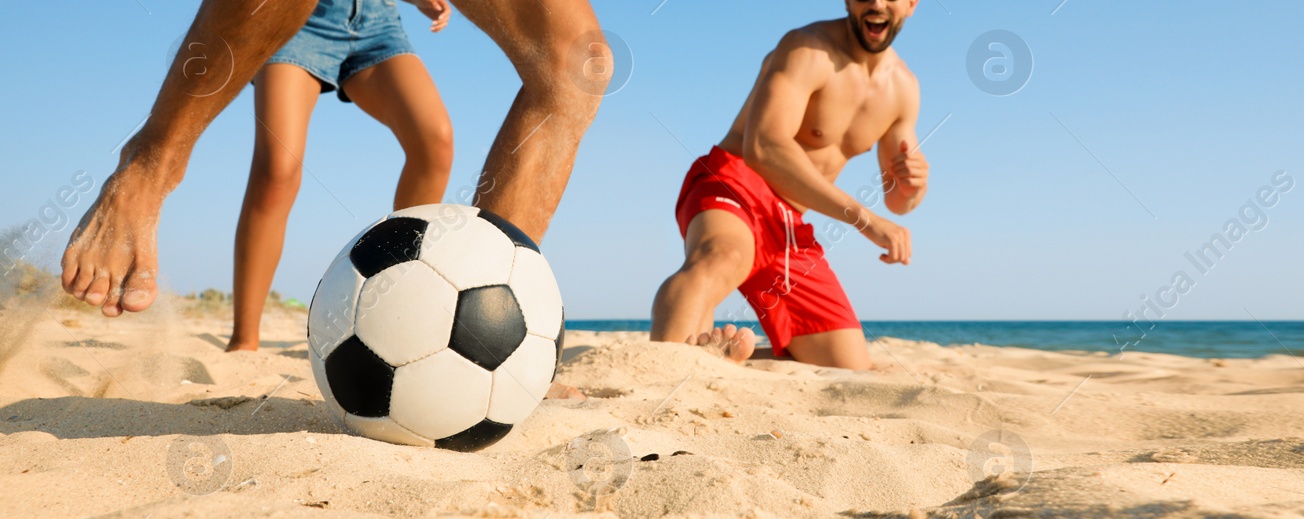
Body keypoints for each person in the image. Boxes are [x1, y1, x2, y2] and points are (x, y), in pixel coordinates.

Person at [59, 0, 609, 321]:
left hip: (372, 20)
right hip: (303, 22)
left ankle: (474, 315)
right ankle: (151, 167)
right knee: (279, 166)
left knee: (575, 64)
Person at [649, 0, 930, 370]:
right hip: (736, 181)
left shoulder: (904, 88)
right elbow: (764, 148)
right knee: (723, 257)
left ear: (911, 5)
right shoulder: (806, 48)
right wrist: (865, 220)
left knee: (848, 363)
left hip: (789, 219)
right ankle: (664, 374)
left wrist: (912, 187)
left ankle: (722, 359)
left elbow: (897, 200)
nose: (876, 3)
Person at [228, 0, 455, 353]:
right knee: (277, 169)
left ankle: (396, 300)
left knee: (435, 142)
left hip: (377, 23)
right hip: (297, 18)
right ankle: (244, 340)